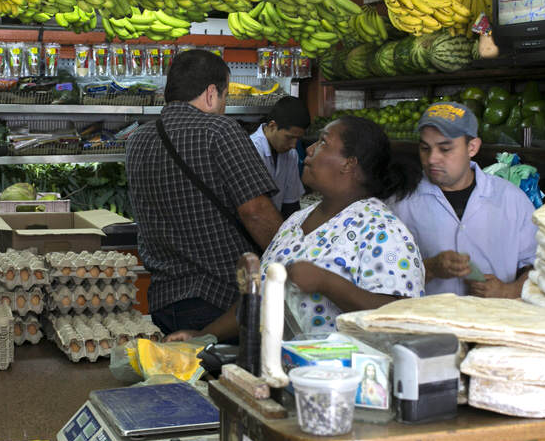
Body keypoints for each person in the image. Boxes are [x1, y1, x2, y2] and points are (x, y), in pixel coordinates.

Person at [166, 115, 425, 341]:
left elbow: (400, 316)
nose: (309, 149)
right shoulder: (295, 222)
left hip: (338, 385)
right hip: (276, 374)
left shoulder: (382, 230)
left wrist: (328, 283)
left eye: (323, 142)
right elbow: (259, 299)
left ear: (349, 164)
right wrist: (205, 335)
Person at [125, 49, 283, 337]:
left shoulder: (137, 140)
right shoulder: (219, 130)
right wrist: (289, 261)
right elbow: (255, 211)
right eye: (225, 96)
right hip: (220, 303)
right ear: (211, 94)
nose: (224, 104)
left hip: (162, 300)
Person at [391, 101, 536, 298]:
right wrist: (430, 268)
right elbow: (381, 277)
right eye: (425, 148)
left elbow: (539, 266)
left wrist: (509, 291)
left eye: (445, 149)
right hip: (427, 325)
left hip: (494, 324)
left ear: (472, 147)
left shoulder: (511, 199)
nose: (432, 159)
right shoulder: (400, 202)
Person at [249, 96, 310, 218]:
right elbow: (252, 210)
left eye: (297, 139)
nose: (293, 145)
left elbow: (291, 203)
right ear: (272, 126)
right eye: (289, 137)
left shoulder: (291, 154)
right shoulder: (251, 150)